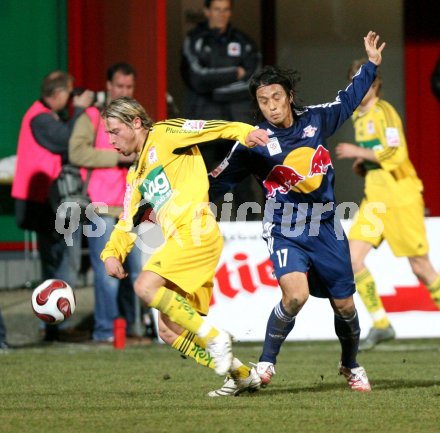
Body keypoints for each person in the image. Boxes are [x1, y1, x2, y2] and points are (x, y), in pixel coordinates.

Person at [208, 31, 386, 394]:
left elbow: (348, 99)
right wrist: (192, 198)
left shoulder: (316, 120)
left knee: (346, 306)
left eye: (276, 97)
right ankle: (266, 364)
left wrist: (371, 65)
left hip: (326, 227)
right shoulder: (253, 142)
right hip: (285, 227)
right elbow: (219, 180)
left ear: (289, 96)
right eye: (263, 101)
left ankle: (351, 365)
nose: (272, 106)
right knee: (295, 296)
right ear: (257, 106)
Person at [100, 97, 268, 396]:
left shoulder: (164, 134)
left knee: (145, 286)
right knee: (168, 330)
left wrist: (244, 132)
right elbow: (127, 220)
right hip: (183, 240)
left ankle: (215, 337)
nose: (110, 139)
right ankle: (242, 375)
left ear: (136, 122)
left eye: (114, 131)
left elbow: (209, 128)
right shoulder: (136, 175)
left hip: (196, 230)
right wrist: (113, 253)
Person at [335, 58, 440, 351]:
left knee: (421, 267)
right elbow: (376, 153)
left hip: (400, 197)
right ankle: (381, 323)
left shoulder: (384, 112)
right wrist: (364, 164)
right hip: (375, 200)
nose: (359, 86)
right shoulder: (358, 116)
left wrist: (359, 151)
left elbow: (395, 153)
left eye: (364, 81)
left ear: (375, 84)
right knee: (351, 260)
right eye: (354, 81)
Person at [69, 62, 150, 344]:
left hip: (130, 206)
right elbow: (76, 152)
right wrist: (117, 158)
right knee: (106, 273)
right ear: (108, 86)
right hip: (99, 205)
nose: (124, 91)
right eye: (119, 86)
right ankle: (105, 331)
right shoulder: (92, 117)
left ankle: (133, 330)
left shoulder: (136, 119)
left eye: (129, 87)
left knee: (135, 272)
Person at [11, 71, 94, 341]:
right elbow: (67, 141)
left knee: (56, 261)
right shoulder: (40, 118)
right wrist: (81, 109)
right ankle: (56, 324)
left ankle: (54, 324)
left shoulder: (42, 115)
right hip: (42, 203)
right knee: (57, 264)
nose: (71, 100)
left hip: (45, 201)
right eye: (69, 96)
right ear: (58, 95)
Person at [181, 0, 264, 220]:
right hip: (204, 126)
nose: (221, 14)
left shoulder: (243, 42)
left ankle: (253, 236)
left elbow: (252, 81)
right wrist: (232, 73)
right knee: (202, 183)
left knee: (244, 184)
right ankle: (199, 231)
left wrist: (213, 87)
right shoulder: (195, 41)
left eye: (226, 10)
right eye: (217, 9)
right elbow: (197, 78)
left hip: (236, 125)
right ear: (207, 12)